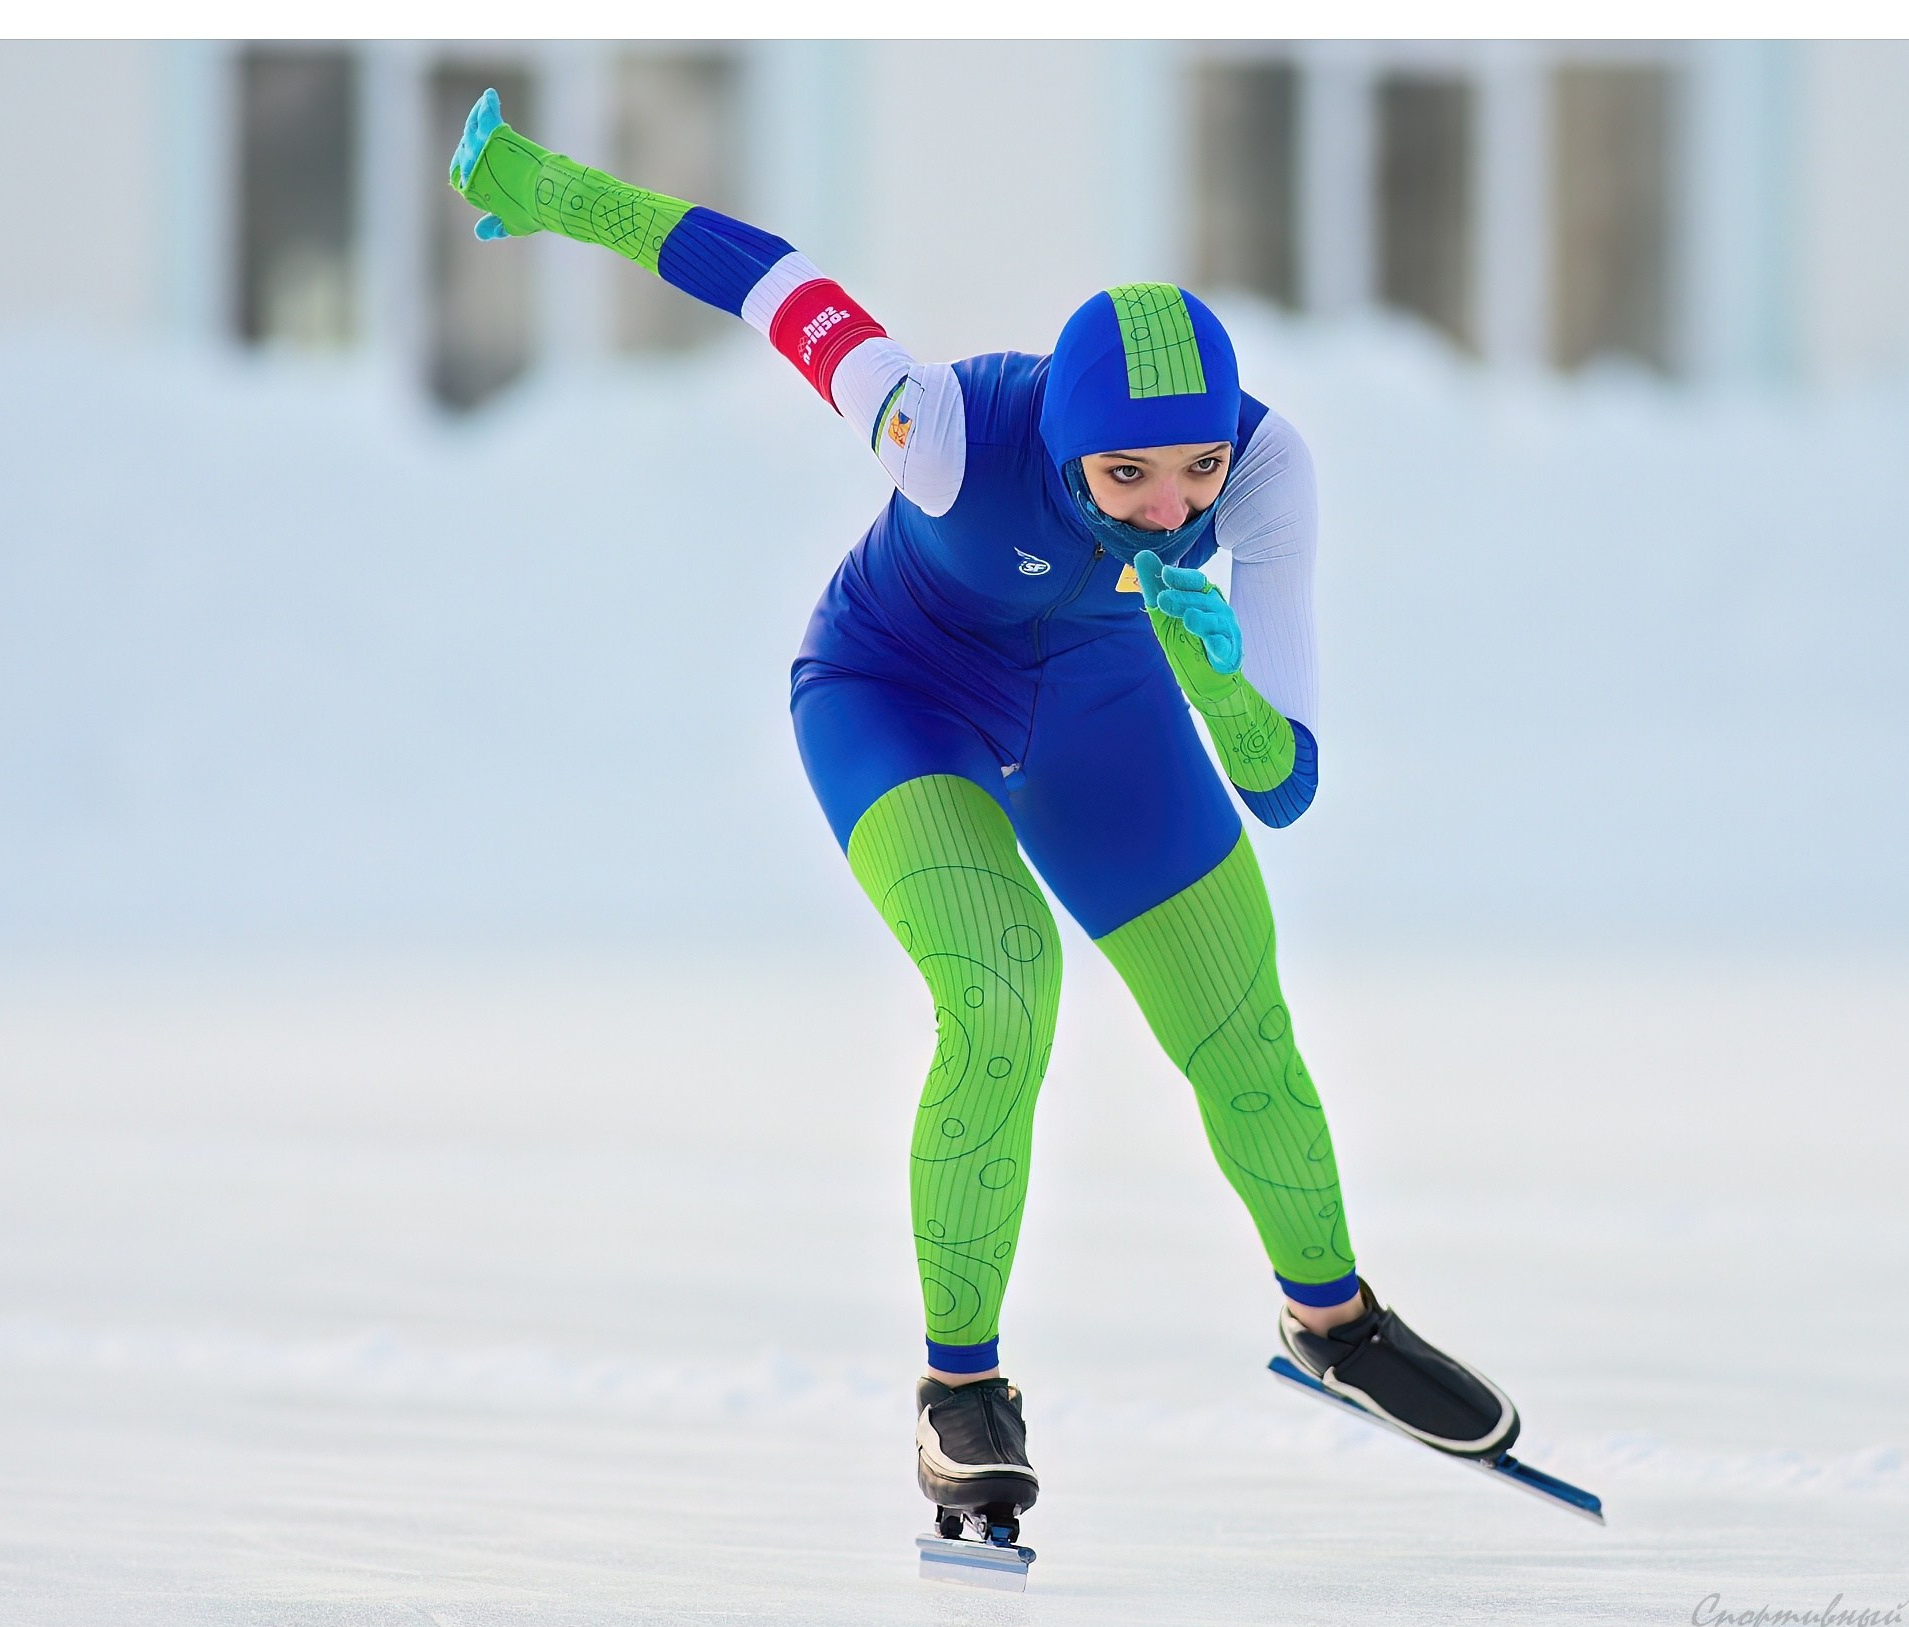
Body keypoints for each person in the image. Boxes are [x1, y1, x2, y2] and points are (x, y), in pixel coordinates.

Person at [447, 89, 1519, 1530]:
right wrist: (555, 192)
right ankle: (961, 1387)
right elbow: (767, 280)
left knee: (1243, 1027)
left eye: (1194, 469)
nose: (1169, 508)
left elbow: (1284, 783)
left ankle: (1334, 1323)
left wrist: (1219, 685)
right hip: (899, 691)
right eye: (1125, 475)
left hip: (1101, 703)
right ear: (1063, 446)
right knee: (1002, 987)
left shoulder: (1270, 474)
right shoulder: (941, 427)